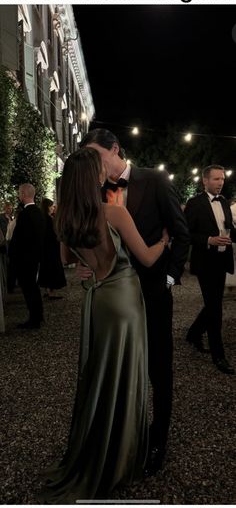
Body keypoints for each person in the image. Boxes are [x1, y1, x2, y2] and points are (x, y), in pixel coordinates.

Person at [39, 148, 169, 502]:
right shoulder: (114, 213)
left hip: (95, 301)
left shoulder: (62, 218)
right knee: (126, 374)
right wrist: (163, 241)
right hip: (124, 301)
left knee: (99, 375)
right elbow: (146, 256)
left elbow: (68, 260)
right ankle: (120, 456)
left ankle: (95, 446)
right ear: (94, 177)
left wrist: (85, 269)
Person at [77, 128, 190, 475]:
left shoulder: (154, 180)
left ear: (115, 149)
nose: (96, 164)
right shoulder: (93, 190)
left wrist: (169, 279)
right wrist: (88, 268)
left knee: (159, 366)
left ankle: (158, 439)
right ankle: (123, 433)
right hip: (113, 297)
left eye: (99, 155)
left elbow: (180, 233)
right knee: (121, 367)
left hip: (153, 292)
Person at [184, 165, 235, 375]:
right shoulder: (194, 203)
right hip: (205, 261)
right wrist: (208, 240)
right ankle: (218, 355)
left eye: (222, 179)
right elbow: (186, 233)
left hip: (222, 259)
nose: (220, 182)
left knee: (214, 303)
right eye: (216, 179)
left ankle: (194, 333)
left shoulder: (223, 202)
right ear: (205, 181)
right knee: (215, 308)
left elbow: (230, 229)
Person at [10, 184, 44, 329]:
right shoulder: (39, 212)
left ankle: (34, 319)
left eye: (19, 193)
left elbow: (19, 239)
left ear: (23, 194)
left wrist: (12, 254)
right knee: (34, 287)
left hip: (24, 258)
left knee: (28, 288)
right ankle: (38, 315)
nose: (18, 195)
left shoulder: (24, 214)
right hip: (35, 257)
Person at [38, 198, 66, 300]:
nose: (52, 208)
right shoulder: (49, 220)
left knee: (45, 268)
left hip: (44, 248)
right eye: (51, 206)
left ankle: (46, 289)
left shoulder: (42, 218)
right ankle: (51, 292)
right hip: (51, 248)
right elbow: (54, 234)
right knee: (52, 269)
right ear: (47, 207)